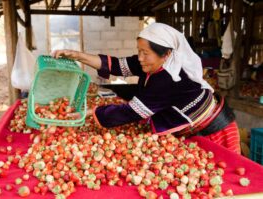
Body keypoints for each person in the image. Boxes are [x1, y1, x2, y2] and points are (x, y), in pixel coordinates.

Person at [52, 23, 241, 154]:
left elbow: (132, 112)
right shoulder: (151, 62)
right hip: (192, 128)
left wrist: (91, 112)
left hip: (215, 131)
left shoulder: (169, 79)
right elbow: (116, 65)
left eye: (145, 53)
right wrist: (77, 55)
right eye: (138, 51)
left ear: (166, 54)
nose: (140, 58)